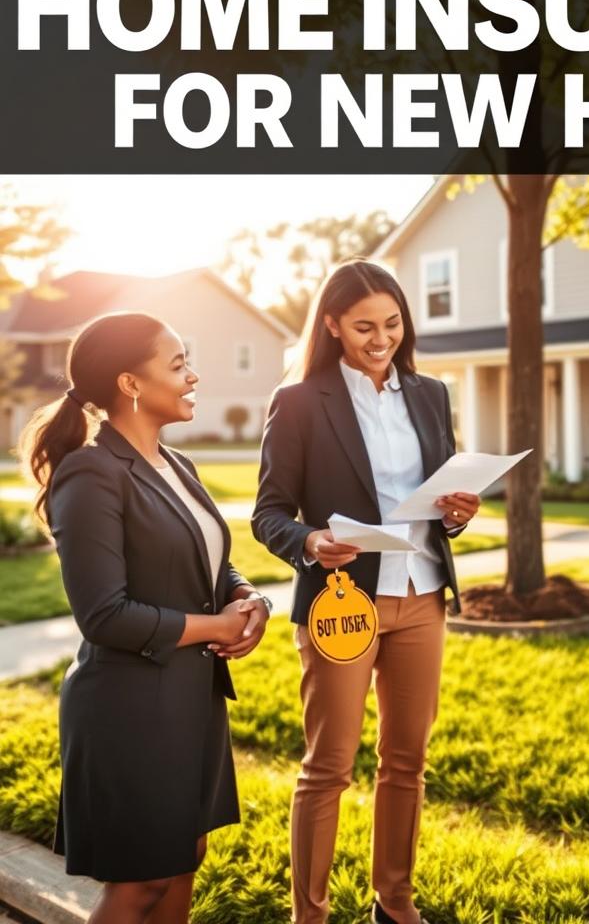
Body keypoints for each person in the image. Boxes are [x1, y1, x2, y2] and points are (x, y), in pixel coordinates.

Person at [18, 312, 273, 924]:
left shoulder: (176, 464)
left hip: (191, 699)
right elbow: (104, 614)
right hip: (129, 709)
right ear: (131, 384)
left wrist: (250, 599)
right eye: (179, 364)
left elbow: (211, 562)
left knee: (185, 858)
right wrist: (215, 628)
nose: (194, 376)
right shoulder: (90, 472)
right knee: (142, 883)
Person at [252, 258, 480, 924]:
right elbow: (269, 514)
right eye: (362, 327)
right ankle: (311, 915)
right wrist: (310, 542)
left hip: (423, 596)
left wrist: (458, 515)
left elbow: (442, 495)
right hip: (343, 601)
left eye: (391, 323)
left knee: (407, 760)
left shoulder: (431, 394)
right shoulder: (298, 402)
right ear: (331, 325)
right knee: (329, 764)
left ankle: (396, 901)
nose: (380, 338)